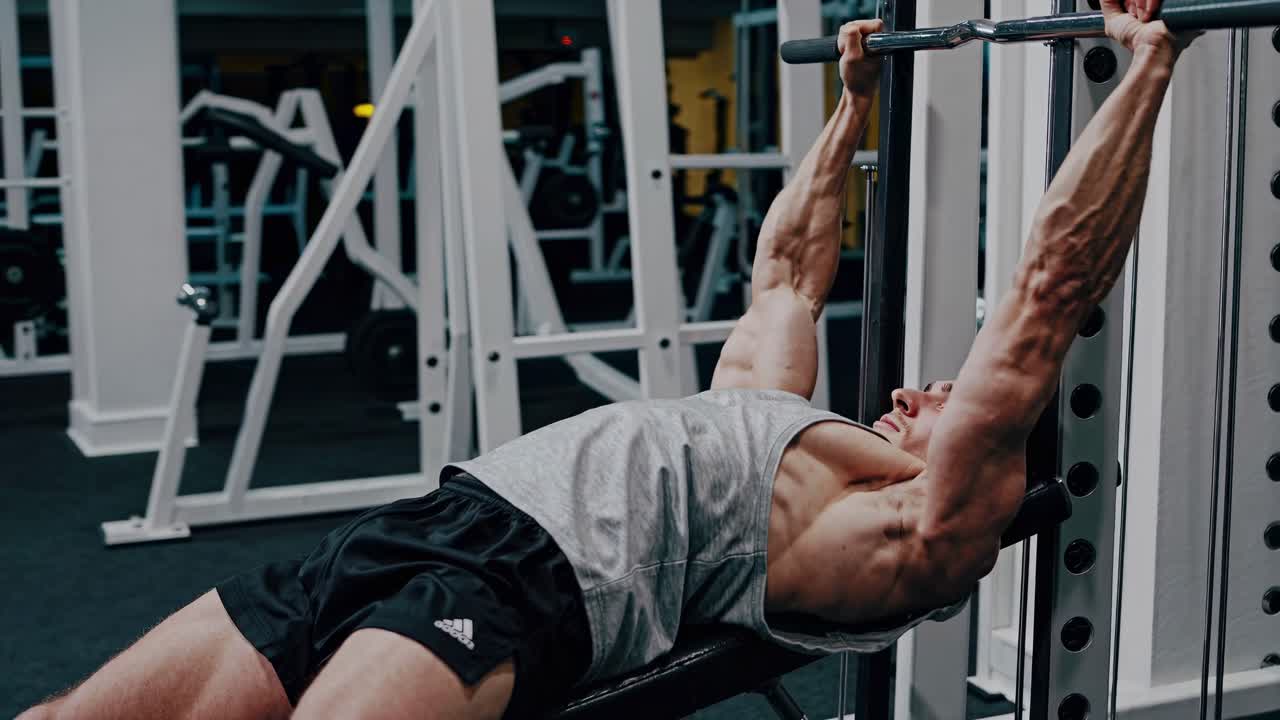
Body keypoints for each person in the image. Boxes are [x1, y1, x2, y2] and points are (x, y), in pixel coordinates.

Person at [19, 2, 1192, 718]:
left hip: (515, 591)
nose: (906, 389)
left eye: (939, 398)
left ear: (988, 459)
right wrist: (850, 108)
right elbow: (786, 272)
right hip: (418, 527)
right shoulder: (768, 428)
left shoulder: (912, 533)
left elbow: (1046, 294)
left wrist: (1143, 69)